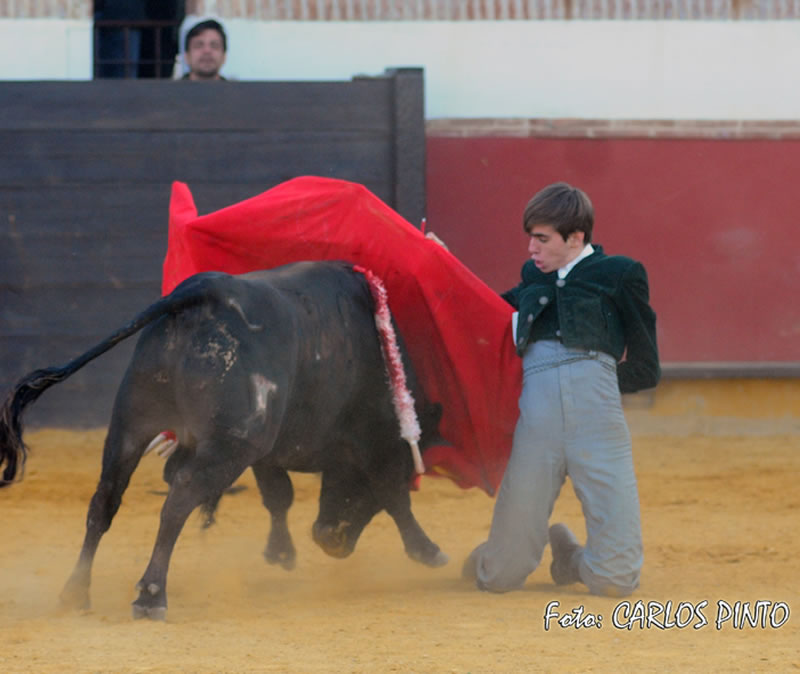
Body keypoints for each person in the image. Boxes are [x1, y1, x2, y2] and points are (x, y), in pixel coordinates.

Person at [462, 182, 660, 597]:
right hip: (538, 423)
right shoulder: (532, 279)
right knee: (498, 577)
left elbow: (646, 367)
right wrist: (436, 258)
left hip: (598, 422)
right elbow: (479, 308)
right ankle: (492, 553)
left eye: (542, 238)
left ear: (575, 238)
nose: (532, 249)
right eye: (530, 237)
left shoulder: (620, 274)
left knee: (616, 580)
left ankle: (568, 557)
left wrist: (598, 381)